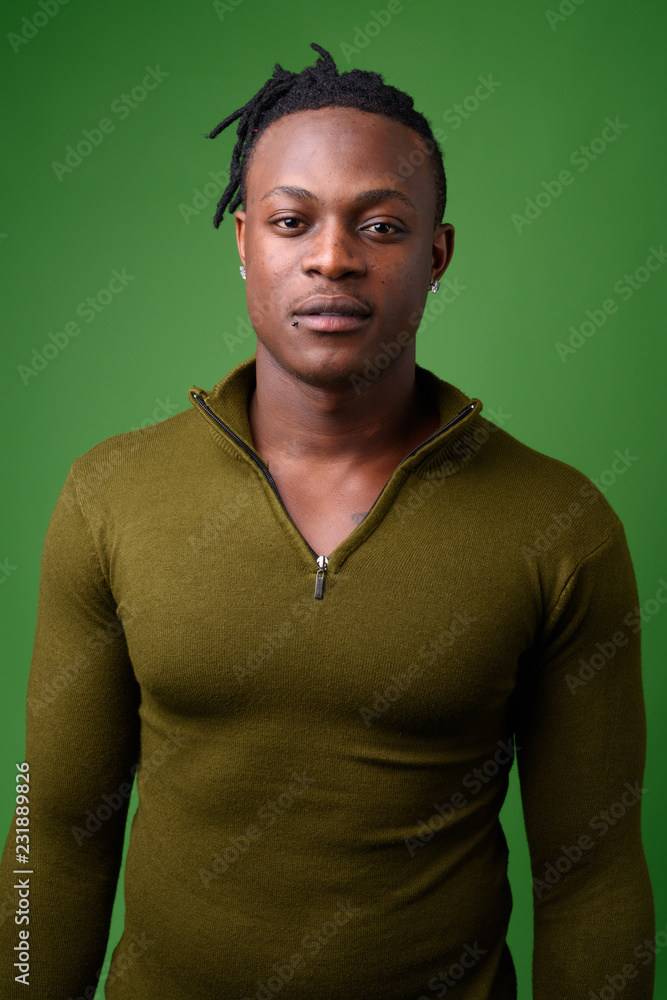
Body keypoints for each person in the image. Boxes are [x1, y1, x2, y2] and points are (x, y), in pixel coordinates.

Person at [0, 42, 654, 1000]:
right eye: (290, 219)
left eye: (380, 226)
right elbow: (49, 831)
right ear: (243, 242)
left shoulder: (558, 525)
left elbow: (591, 873)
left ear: (436, 256)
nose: (333, 257)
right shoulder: (111, 493)